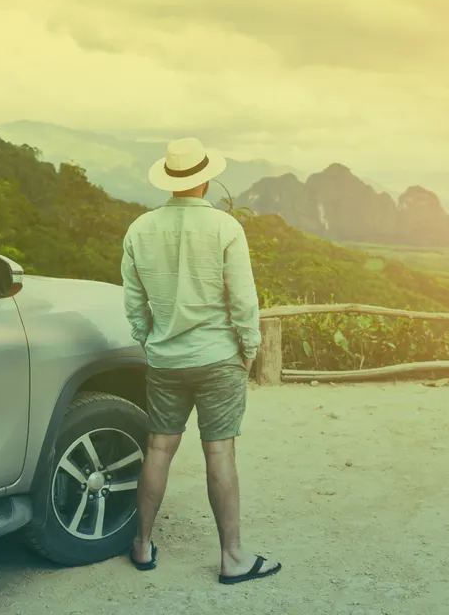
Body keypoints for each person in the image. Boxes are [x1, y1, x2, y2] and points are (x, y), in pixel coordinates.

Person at [121, 137, 282, 585]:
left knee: (158, 449)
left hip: (165, 360)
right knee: (220, 452)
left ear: (170, 180)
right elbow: (244, 302)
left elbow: (134, 304)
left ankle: (140, 545)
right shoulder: (226, 228)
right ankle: (232, 558)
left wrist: (151, 340)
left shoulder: (139, 229)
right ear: (206, 179)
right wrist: (248, 351)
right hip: (218, 358)